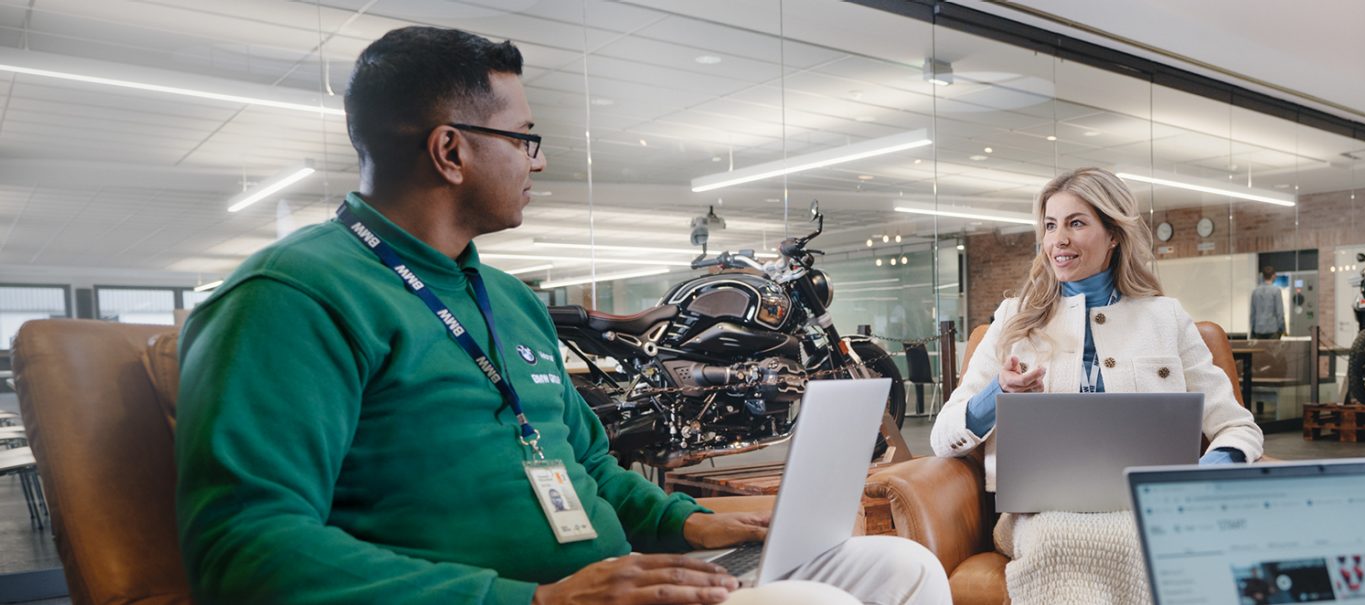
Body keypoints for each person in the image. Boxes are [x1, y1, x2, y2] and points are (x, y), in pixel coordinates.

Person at [174, 26, 947, 605]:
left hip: (605, 587)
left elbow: (594, 468)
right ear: (450, 150)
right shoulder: (294, 294)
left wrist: (687, 522)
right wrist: (535, 598)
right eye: (523, 138)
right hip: (525, 599)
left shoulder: (505, 299)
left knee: (898, 567)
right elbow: (244, 545)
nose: (537, 160)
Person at [929, 167, 1266, 604]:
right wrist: (1001, 394)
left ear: (1113, 235)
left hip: (1147, 511)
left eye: (1076, 223)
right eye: (1050, 225)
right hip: (1039, 516)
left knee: (1140, 540)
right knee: (1056, 541)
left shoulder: (1166, 319)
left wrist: (1203, 475)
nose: (1058, 240)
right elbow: (943, 436)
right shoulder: (1012, 319)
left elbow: (1239, 428)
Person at [1250, 266, 1286, 339]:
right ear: (1273, 276)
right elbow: (1279, 312)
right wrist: (1282, 329)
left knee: (1260, 350)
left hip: (1258, 330)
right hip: (1273, 329)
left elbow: (1253, 313)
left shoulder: (1255, 292)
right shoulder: (1276, 291)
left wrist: (1253, 328)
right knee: (1273, 350)